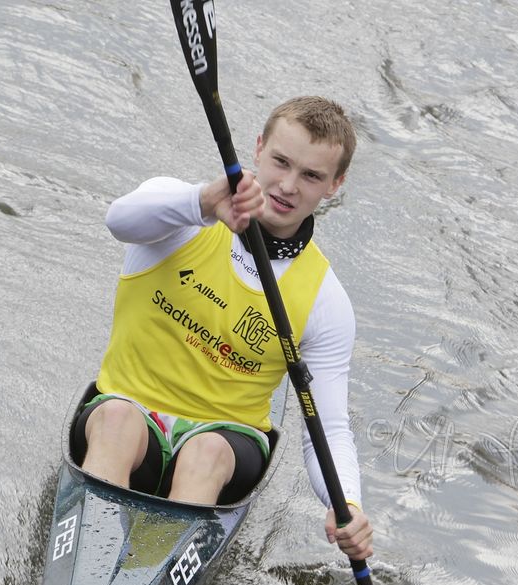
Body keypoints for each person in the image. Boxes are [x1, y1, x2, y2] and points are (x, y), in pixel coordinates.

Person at [73, 96, 373, 560]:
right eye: (280, 162)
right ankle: (87, 565)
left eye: (311, 175)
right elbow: (119, 220)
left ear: (335, 184)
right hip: (125, 413)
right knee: (117, 420)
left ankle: (145, 579)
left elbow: (327, 425)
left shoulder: (326, 301)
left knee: (204, 453)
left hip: (225, 445)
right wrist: (204, 202)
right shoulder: (180, 215)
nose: (288, 186)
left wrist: (347, 502)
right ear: (257, 148)